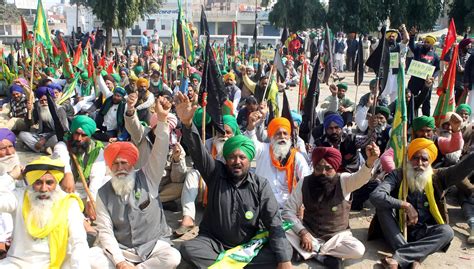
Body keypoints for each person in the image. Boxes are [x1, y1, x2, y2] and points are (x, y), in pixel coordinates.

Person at [175, 91, 293, 268]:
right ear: (226, 159)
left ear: (249, 159)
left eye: (242, 157)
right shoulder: (215, 173)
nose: (237, 161)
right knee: (189, 249)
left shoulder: (260, 185)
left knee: (281, 252)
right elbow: (198, 152)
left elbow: (274, 222)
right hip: (213, 243)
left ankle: (226, 264)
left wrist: (285, 260)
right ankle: (232, 264)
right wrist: (187, 123)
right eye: (232, 157)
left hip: (246, 246)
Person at [89, 96, 181, 268]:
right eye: (115, 164)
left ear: (132, 164)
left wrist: (161, 120)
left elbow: (160, 153)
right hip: (121, 249)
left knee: (173, 257)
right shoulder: (102, 193)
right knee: (91, 257)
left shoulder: (148, 178)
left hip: (151, 246)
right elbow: (106, 231)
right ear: (110, 167)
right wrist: (120, 262)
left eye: (124, 163)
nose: (120, 168)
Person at [370, 138, 474, 269]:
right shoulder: (398, 174)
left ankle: (400, 257)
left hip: (423, 231)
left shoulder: (438, 176)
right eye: (415, 158)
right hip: (397, 229)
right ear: (409, 159)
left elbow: (461, 169)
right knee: (382, 207)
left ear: (430, 161)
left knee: (447, 232)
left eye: (424, 159)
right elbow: (375, 195)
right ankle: (414, 259)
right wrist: (405, 205)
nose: (419, 163)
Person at [283, 145, 379, 268]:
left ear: (335, 168)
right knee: (281, 228)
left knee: (358, 249)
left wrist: (370, 162)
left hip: (336, 238)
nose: (323, 172)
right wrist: (303, 232)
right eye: (318, 168)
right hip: (309, 233)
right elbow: (288, 211)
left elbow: (360, 178)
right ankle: (322, 256)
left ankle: (312, 252)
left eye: (328, 168)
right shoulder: (305, 182)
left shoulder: (343, 181)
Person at [0, 156, 90, 268]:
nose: (43, 189)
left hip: (57, 263)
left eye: (49, 183)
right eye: (38, 182)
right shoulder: (19, 197)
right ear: (31, 183)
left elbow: (78, 241)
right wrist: (10, 177)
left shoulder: (69, 203)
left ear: (56, 183)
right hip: (19, 263)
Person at [176, 114, 241, 236]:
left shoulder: (239, 147)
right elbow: (198, 164)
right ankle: (188, 217)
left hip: (229, 186)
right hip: (209, 182)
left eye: (228, 132)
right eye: (221, 132)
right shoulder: (208, 143)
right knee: (192, 174)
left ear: (234, 133)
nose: (224, 136)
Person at [245, 116, 311, 207]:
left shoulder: (297, 157)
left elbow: (306, 179)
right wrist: (251, 127)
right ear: (271, 135)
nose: (282, 137)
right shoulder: (263, 149)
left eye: (285, 133)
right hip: (263, 204)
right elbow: (250, 143)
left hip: (288, 207)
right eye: (278, 133)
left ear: (289, 136)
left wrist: (302, 204)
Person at [52, 115, 107, 220]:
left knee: (108, 180)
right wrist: (67, 174)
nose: (78, 138)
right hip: (66, 191)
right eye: (76, 133)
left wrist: (90, 201)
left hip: (87, 192)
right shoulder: (62, 145)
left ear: (89, 136)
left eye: (83, 135)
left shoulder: (97, 150)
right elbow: (60, 154)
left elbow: (96, 178)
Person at [19, 86, 69, 154]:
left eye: (46, 100)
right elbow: (30, 123)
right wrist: (29, 111)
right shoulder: (39, 108)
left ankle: (35, 147)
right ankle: (44, 149)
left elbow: (64, 130)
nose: (44, 103)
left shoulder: (59, 110)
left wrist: (45, 139)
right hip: (41, 135)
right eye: (41, 101)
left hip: (54, 136)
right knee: (22, 134)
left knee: (56, 139)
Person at [408, 29, 440, 116]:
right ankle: (412, 115)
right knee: (411, 98)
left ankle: (426, 118)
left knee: (426, 100)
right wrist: (412, 37)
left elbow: (437, 69)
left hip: (426, 82)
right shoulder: (418, 49)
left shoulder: (435, 56)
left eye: (428, 42)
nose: (426, 43)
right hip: (415, 79)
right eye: (425, 41)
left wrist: (433, 77)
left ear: (432, 44)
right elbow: (411, 46)